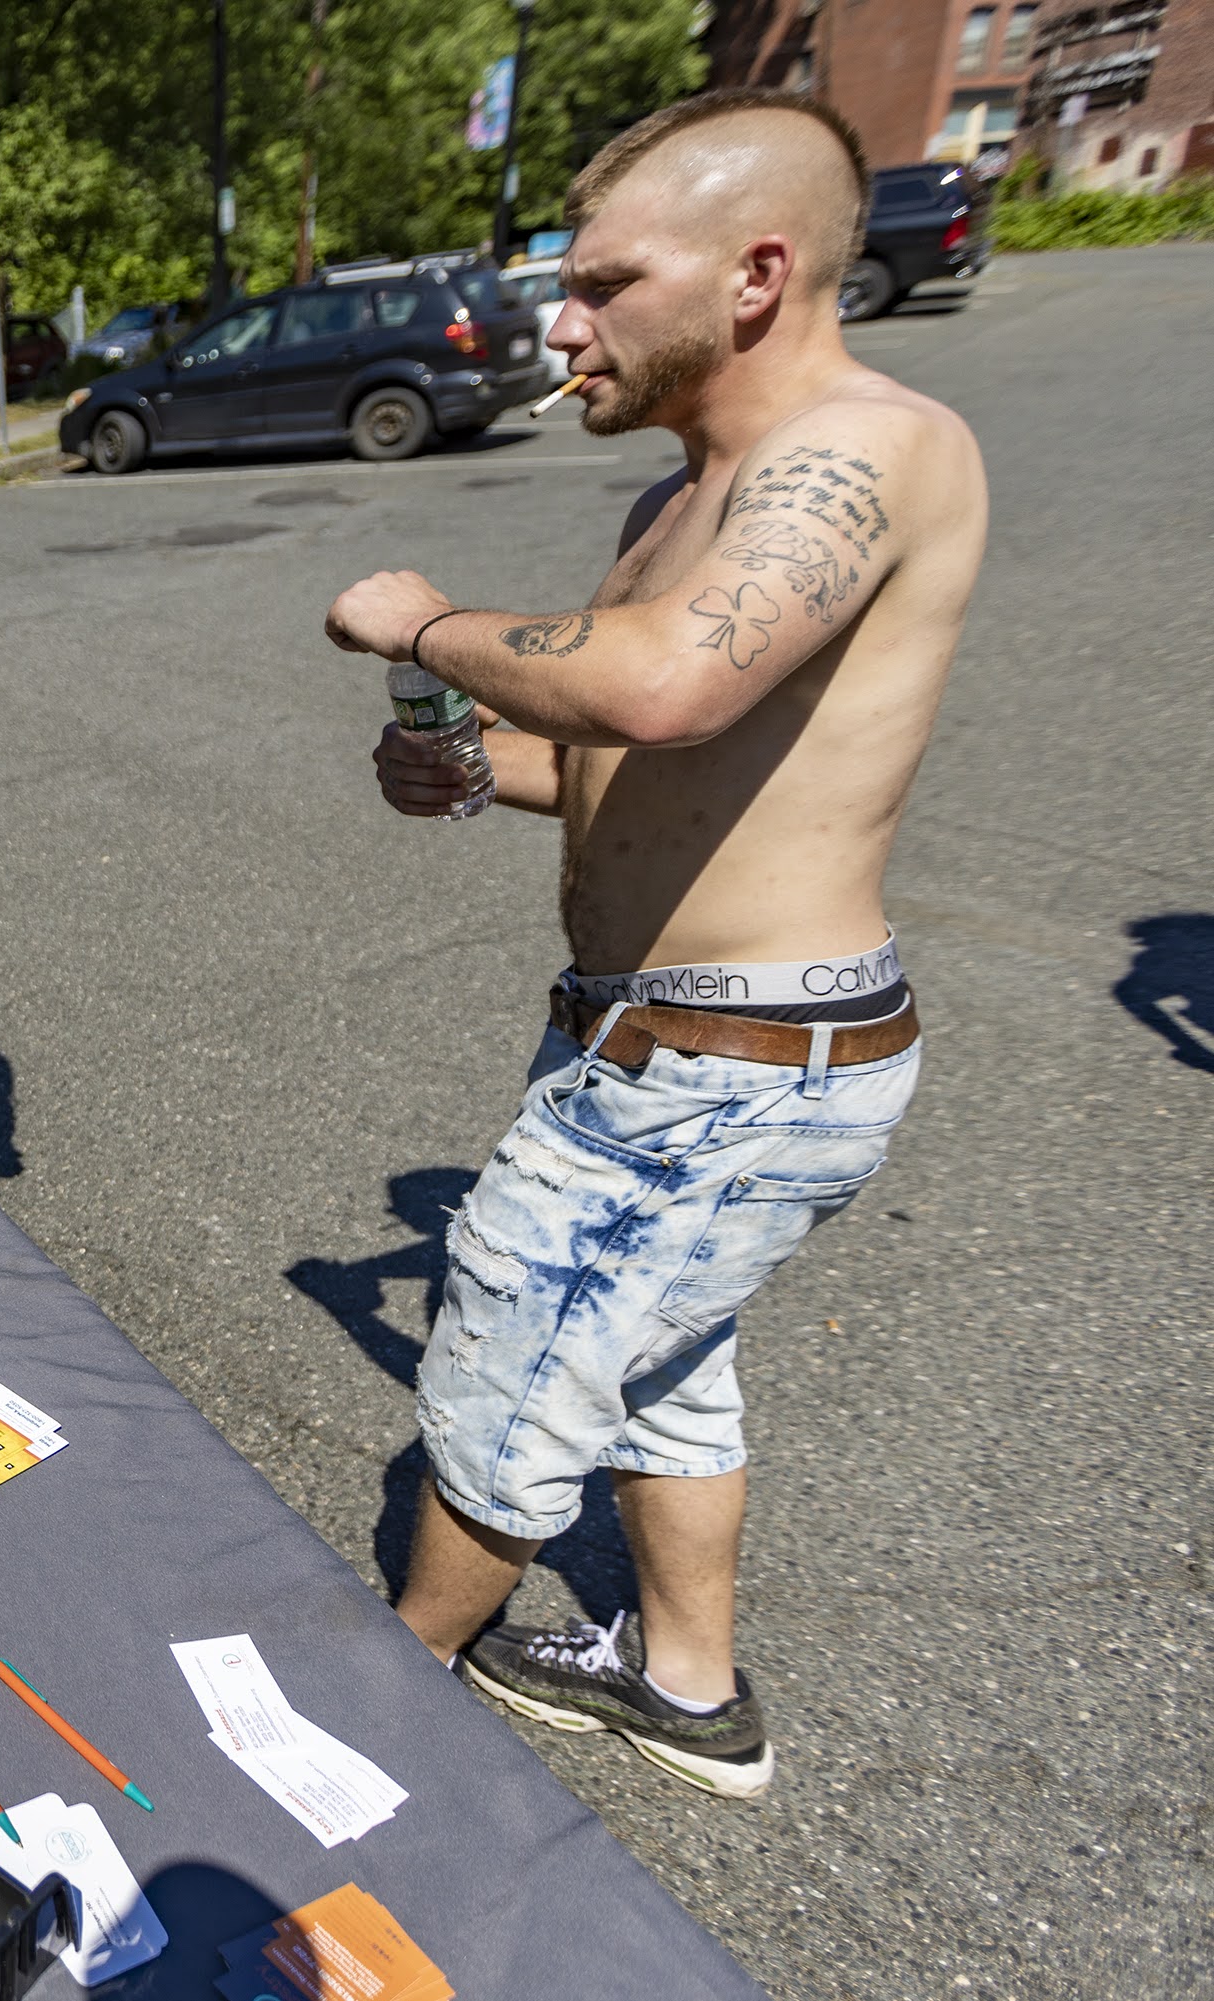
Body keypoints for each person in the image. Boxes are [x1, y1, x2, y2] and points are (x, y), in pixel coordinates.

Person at [322, 88, 986, 1799]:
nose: (560, 320)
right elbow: (629, 751)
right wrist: (477, 766)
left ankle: (368, 1715)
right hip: (672, 1040)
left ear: (756, 273)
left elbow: (676, 674)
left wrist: (428, 627)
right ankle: (687, 1686)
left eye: (604, 281)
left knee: (513, 1368)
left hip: (732, 1057)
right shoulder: (674, 503)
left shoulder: (868, 448)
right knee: (658, 1369)